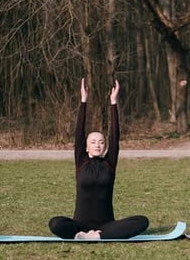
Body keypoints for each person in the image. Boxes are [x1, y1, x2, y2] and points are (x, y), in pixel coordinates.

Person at [49, 78, 149, 239]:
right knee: (55, 223)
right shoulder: (81, 162)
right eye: (93, 142)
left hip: (107, 225)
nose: (97, 145)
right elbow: (79, 133)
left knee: (142, 221)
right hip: (79, 225)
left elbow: (115, 136)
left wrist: (113, 102)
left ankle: (98, 235)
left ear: (105, 146)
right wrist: (83, 101)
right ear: (86, 147)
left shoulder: (109, 164)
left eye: (101, 142)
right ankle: (84, 234)